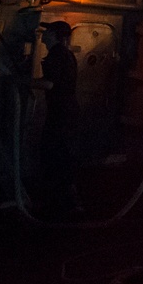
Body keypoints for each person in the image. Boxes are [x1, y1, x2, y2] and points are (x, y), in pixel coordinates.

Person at [37, 20, 83, 217]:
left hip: (60, 114)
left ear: (55, 35)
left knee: (54, 155)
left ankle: (59, 204)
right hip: (68, 112)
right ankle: (68, 201)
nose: (44, 34)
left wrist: (18, 80)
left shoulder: (56, 55)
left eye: (47, 31)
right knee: (64, 156)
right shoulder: (68, 55)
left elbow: (49, 84)